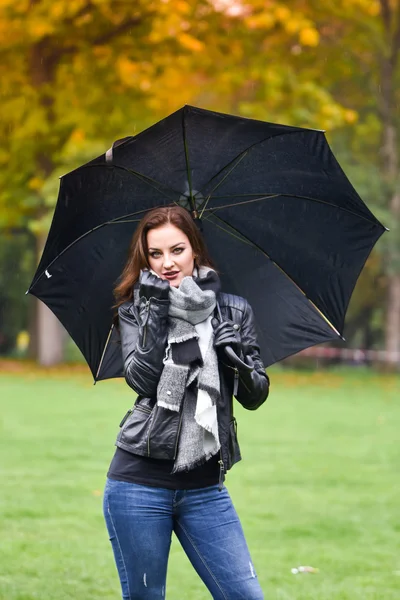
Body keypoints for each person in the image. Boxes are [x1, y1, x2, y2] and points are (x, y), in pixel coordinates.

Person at [103, 205, 270, 600]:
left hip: (206, 488)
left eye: (176, 250)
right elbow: (141, 380)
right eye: (155, 254)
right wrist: (155, 313)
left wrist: (238, 360)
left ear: (195, 249)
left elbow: (256, 396)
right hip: (138, 483)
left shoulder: (234, 309)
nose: (167, 263)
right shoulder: (135, 310)